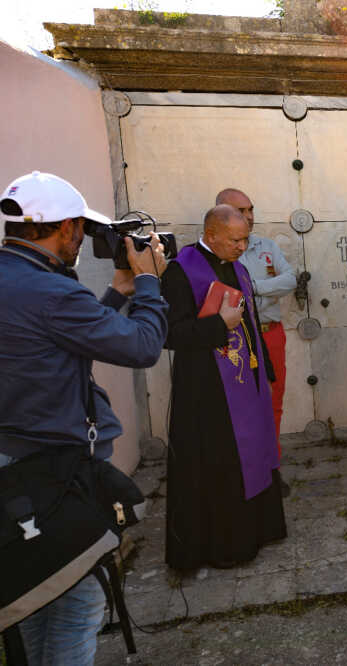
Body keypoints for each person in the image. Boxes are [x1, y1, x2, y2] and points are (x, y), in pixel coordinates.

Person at [0, 171, 168, 664]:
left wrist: (117, 293)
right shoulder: (51, 291)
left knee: (35, 600)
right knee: (77, 607)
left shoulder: (19, 280)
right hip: (50, 473)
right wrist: (149, 282)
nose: (84, 241)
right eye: (83, 229)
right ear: (66, 227)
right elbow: (142, 347)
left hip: (13, 471)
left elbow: (59, 340)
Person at [161, 204, 286, 571]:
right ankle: (226, 546)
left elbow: (250, 323)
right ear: (211, 235)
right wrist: (219, 325)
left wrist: (265, 370)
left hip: (247, 383)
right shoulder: (180, 272)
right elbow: (169, 334)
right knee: (221, 465)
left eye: (245, 239)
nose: (242, 247)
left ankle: (258, 531)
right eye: (235, 240)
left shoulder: (238, 267)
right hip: (206, 392)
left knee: (254, 454)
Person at [218, 188, 296, 497]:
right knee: (238, 408)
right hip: (234, 339)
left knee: (272, 404)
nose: (249, 216)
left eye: (250, 209)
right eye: (241, 211)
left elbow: (289, 279)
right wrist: (263, 289)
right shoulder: (213, 253)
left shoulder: (267, 246)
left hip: (270, 333)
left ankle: (271, 469)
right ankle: (242, 472)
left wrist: (253, 287)